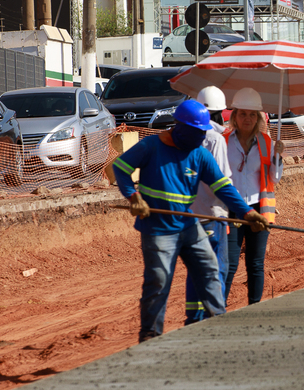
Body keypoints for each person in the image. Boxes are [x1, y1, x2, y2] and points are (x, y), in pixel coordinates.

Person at [113, 99, 267, 343]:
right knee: (160, 279)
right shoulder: (152, 146)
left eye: (202, 133)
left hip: (188, 225)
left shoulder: (200, 154)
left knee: (209, 270)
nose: (200, 138)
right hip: (158, 228)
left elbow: (223, 187)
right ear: (179, 127)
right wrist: (133, 197)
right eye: (196, 132)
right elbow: (120, 167)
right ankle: (150, 334)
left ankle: (217, 320)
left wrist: (248, 213)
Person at [224, 87, 284, 306]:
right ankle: (217, 310)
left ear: (258, 118)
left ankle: (255, 307)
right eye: (242, 114)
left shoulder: (267, 143)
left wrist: (278, 156)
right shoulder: (224, 141)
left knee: (255, 263)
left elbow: (275, 178)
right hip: (231, 209)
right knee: (229, 263)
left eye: (252, 114)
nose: (247, 118)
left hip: (259, 208)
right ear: (234, 116)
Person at [185, 86, 231, 324]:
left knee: (195, 268)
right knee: (217, 268)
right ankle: (215, 316)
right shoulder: (215, 139)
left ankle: (193, 317)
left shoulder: (185, 135)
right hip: (213, 215)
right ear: (221, 112)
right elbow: (223, 181)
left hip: (189, 217)